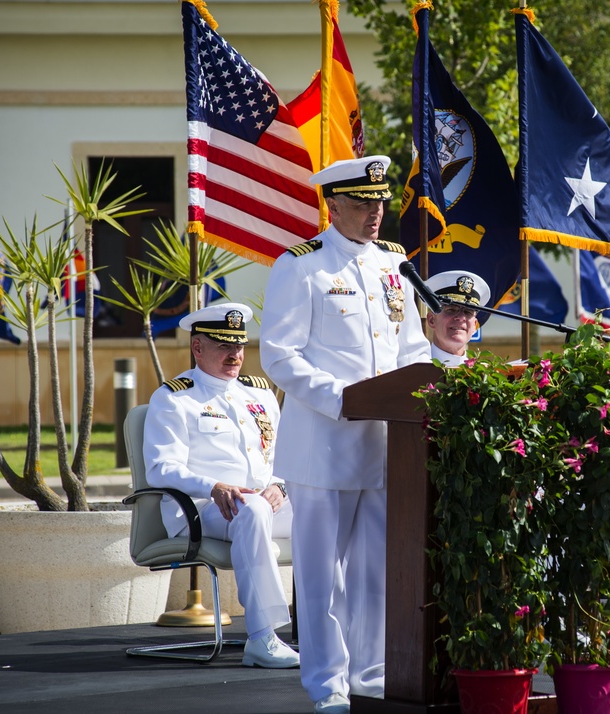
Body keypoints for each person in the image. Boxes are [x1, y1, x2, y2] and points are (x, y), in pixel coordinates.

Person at [259, 155, 432, 714]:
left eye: (380, 204)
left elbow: (413, 347)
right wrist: (342, 399)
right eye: (362, 205)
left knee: (377, 573)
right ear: (333, 206)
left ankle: (371, 675)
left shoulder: (395, 265)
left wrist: (417, 393)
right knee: (321, 576)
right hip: (325, 445)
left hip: (389, 445)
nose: (375, 214)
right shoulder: (301, 266)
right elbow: (279, 354)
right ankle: (327, 685)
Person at [143, 302, 299, 668]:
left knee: (328, 506)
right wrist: (214, 485)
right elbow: (161, 467)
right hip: (199, 509)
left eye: (239, 345)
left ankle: (326, 629)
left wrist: (281, 485)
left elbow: (282, 456)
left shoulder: (260, 395)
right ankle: (263, 637)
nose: (236, 354)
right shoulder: (174, 397)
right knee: (253, 509)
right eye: (224, 345)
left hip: (259, 505)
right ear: (198, 348)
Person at [423, 270, 491, 367]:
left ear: (474, 326)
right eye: (451, 309)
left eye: (468, 312)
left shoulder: (483, 375)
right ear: (432, 320)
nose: (461, 317)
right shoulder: (414, 369)